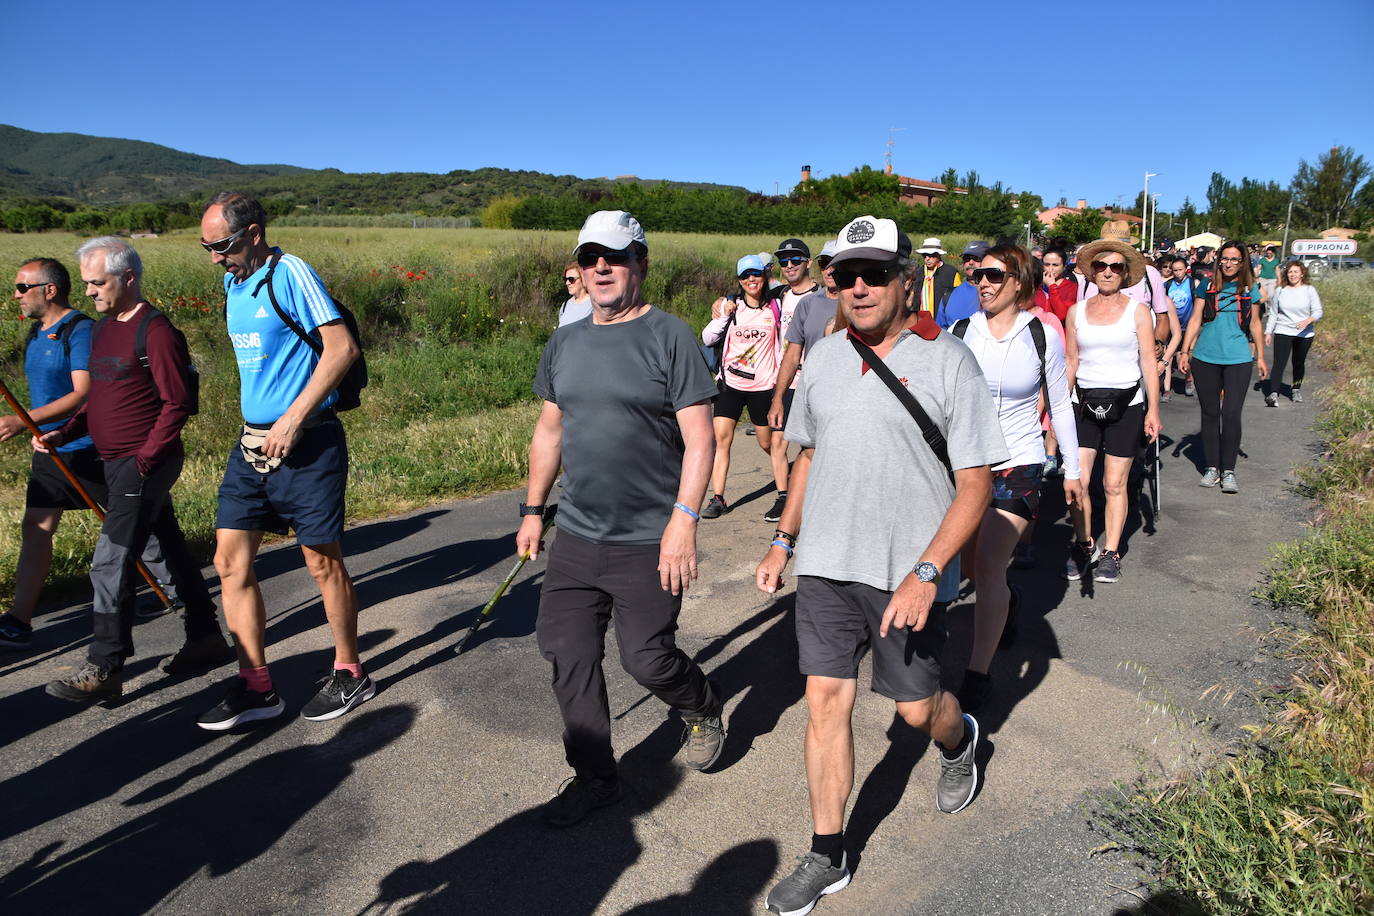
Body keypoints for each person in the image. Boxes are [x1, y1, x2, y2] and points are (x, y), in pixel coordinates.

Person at [755, 216, 1007, 916]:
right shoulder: (826, 359)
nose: (858, 287)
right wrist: (784, 540)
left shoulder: (948, 360)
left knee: (916, 708)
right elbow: (805, 457)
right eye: (845, 275)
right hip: (828, 564)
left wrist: (929, 572)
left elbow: (976, 483)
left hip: (907, 572)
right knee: (824, 702)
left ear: (905, 281)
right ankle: (826, 853)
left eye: (874, 274)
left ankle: (961, 742)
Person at [518, 210, 723, 827]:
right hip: (578, 533)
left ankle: (701, 704)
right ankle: (595, 776)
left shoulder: (671, 337)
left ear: (641, 264)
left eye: (614, 256)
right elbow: (549, 433)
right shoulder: (566, 341)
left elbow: (700, 439)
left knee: (646, 657)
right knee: (565, 649)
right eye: (589, 258)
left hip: (649, 538)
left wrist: (683, 522)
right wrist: (533, 511)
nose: (600, 267)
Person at [197, 191, 371, 729]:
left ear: (252, 233)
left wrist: (294, 417)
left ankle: (350, 673)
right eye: (205, 247)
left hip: (309, 442)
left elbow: (341, 349)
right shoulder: (232, 282)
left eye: (220, 245)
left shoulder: (289, 272)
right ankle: (256, 686)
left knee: (321, 561)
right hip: (251, 446)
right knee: (229, 562)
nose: (214, 257)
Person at [37, 238, 232, 702]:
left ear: (128, 278)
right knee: (167, 547)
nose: (87, 292)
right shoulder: (105, 329)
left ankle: (105, 665)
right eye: (85, 282)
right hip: (116, 461)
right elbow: (99, 397)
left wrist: (146, 459)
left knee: (110, 561)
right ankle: (205, 638)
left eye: (96, 282)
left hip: (142, 462)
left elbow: (178, 402)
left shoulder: (156, 331)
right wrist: (65, 433)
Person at [1, 259, 200, 653]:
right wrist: (53, 433)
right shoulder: (37, 334)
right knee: (36, 530)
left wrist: (25, 422)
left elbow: (85, 393)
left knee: (138, 534)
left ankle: (169, 600)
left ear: (49, 289)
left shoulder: (82, 331)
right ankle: (19, 618)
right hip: (55, 448)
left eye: (23, 288)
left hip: (95, 451)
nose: (17, 296)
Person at [951, 244, 1082, 710]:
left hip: (1021, 462)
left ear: (1019, 283)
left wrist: (1072, 466)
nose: (982, 283)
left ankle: (977, 674)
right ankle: (1009, 600)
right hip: (968, 462)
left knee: (987, 566)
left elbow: (1061, 404)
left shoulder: (1041, 334)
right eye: (977, 276)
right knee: (969, 567)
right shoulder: (962, 331)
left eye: (993, 275)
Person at [1063, 237, 1161, 583]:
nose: (1107, 272)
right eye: (1101, 266)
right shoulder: (1076, 312)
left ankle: (1111, 552)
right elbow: (1071, 361)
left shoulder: (1139, 312)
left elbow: (1148, 360)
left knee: (1114, 483)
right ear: (1091, 273)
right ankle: (1084, 542)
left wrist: (1153, 409)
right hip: (1083, 403)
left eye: (1115, 267)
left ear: (1125, 274)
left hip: (1128, 403)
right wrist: (1060, 409)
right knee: (1079, 481)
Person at [700, 255, 788, 521]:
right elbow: (708, 338)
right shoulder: (731, 307)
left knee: (767, 443)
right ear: (739, 280)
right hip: (731, 385)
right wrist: (722, 316)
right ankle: (718, 498)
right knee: (721, 440)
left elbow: (784, 344)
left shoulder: (775, 307)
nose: (751, 280)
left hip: (763, 386)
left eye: (756, 274)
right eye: (745, 275)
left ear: (764, 277)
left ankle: (786, 486)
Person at [1178, 240, 1268, 494]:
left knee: (1231, 414)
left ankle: (1228, 470)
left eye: (1234, 260)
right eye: (1225, 259)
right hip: (1205, 357)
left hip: (1238, 358)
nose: (1228, 264)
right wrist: (1185, 351)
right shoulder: (1207, 286)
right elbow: (1195, 319)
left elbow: (1256, 325)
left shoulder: (1250, 288)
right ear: (1219, 260)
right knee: (1210, 414)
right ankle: (1212, 467)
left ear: (1243, 263)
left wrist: (1260, 357)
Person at [768, 239, 839, 432]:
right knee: (807, 451)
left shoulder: (861, 303)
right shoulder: (808, 303)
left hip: (845, 393)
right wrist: (778, 399)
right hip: (810, 391)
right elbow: (792, 354)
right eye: (825, 264)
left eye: (836, 264)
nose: (830, 270)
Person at [1263, 260, 1322, 405]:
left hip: (1304, 333)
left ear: (1302, 274)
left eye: (1296, 271)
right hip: (1283, 330)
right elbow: (1274, 313)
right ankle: (1273, 394)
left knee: (1298, 362)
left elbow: (1318, 311)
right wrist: (1268, 332)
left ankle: (1296, 389)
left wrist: (1307, 321)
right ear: (1286, 274)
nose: (1293, 274)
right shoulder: (1280, 290)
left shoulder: (1309, 290)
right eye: (1290, 272)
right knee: (1279, 363)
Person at [1163, 257, 1198, 397]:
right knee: (1168, 357)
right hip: (1172, 326)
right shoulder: (1167, 285)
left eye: (1180, 270)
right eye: (1175, 270)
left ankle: (1189, 378)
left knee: (1186, 356)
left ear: (1186, 269)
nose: (1177, 273)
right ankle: (1166, 389)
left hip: (1188, 325)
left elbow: (1198, 306)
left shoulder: (1193, 283)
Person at [935, 240, 988, 329]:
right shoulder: (948, 295)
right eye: (967, 258)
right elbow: (940, 332)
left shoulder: (997, 294)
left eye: (977, 258)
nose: (970, 262)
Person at [914, 237, 961, 317]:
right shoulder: (918, 272)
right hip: (920, 320)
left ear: (938, 255)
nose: (927, 259)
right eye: (924, 255)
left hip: (943, 321)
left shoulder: (951, 273)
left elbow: (959, 298)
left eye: (931, 255)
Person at [558, 261, 592, 326]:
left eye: (571, 279)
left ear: (583, 278)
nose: (567, 283)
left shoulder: (595, 305)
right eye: (565, 279)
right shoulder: (565, 306)